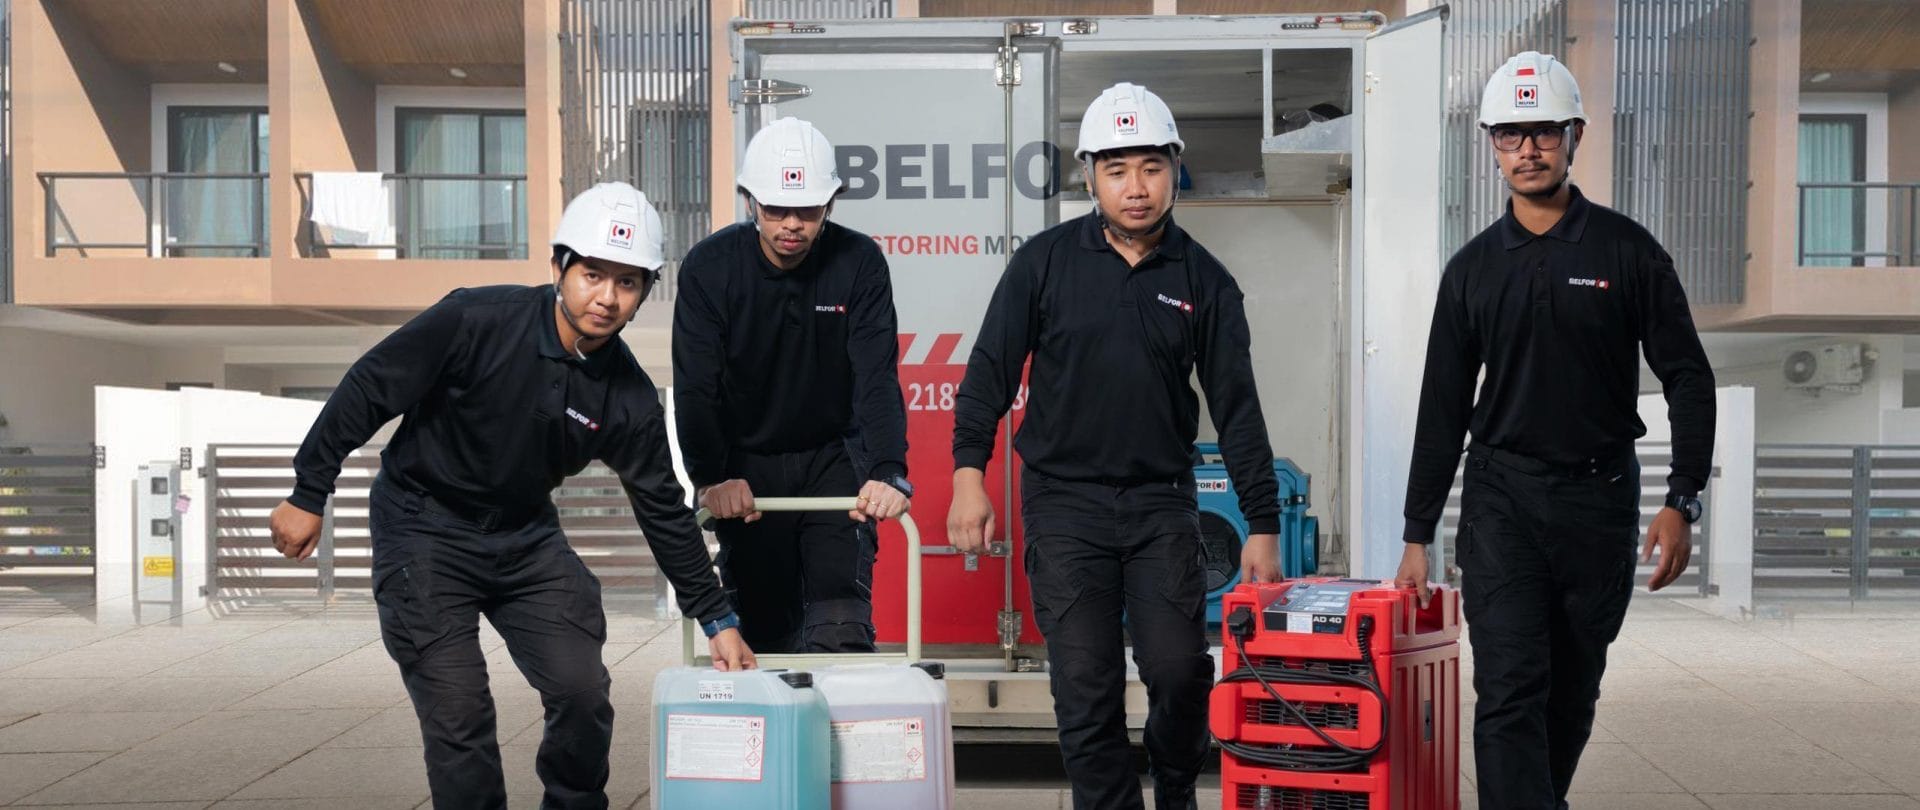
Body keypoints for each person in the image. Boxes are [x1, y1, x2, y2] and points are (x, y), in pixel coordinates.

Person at [268, 182, 754, 810]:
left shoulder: (627, 397)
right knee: (459, 708)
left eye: (627, 283)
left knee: (582, 690)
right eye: (592, 274)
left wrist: (714, 616)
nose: (606, 297)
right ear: (559, 267)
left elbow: (661, 505)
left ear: (644, 293)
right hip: (423, 525)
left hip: (526, 537)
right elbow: (372, 386)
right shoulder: (476, 320)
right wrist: (310, 490)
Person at [948, 83, 1284, 810]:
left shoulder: (1205, 281)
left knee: (1178, 669)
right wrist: (968, 473)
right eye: (1117, 169)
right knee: (1085, 685)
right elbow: (987, 375)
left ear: (1175, 169)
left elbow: (1238, 410)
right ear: (1089, 175)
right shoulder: (1043, 265)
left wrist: (1262, 523)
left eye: (1151, 167)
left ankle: (1173, 787)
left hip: (1162, 504)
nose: (1136, 187)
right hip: (1064, 505)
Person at [1394, 52, 1716, 810]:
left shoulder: (1627, 252)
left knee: (1571, 694)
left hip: (1599, 501)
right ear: (1492, 145)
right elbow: (1442, 405)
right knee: (1508, 688)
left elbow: (1689, 377)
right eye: (1511, 135)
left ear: (1575, 136)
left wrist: (1684, 498)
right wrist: (1417, 532)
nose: (1528, 150)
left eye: (1543, 133)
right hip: (1502, 499)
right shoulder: (1471, 270)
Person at [673, 117, 911, 654]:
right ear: (750, 201)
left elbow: (877, 376)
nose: (791, 224)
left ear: (830, 204)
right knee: (759, 632)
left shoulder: (859, 262)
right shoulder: (710, 267)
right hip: (747, 464)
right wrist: (711, 477)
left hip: (833, 455)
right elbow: (695, 388)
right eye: (776, 208)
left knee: (839, 626)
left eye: (807, 210)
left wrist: (889, 471)